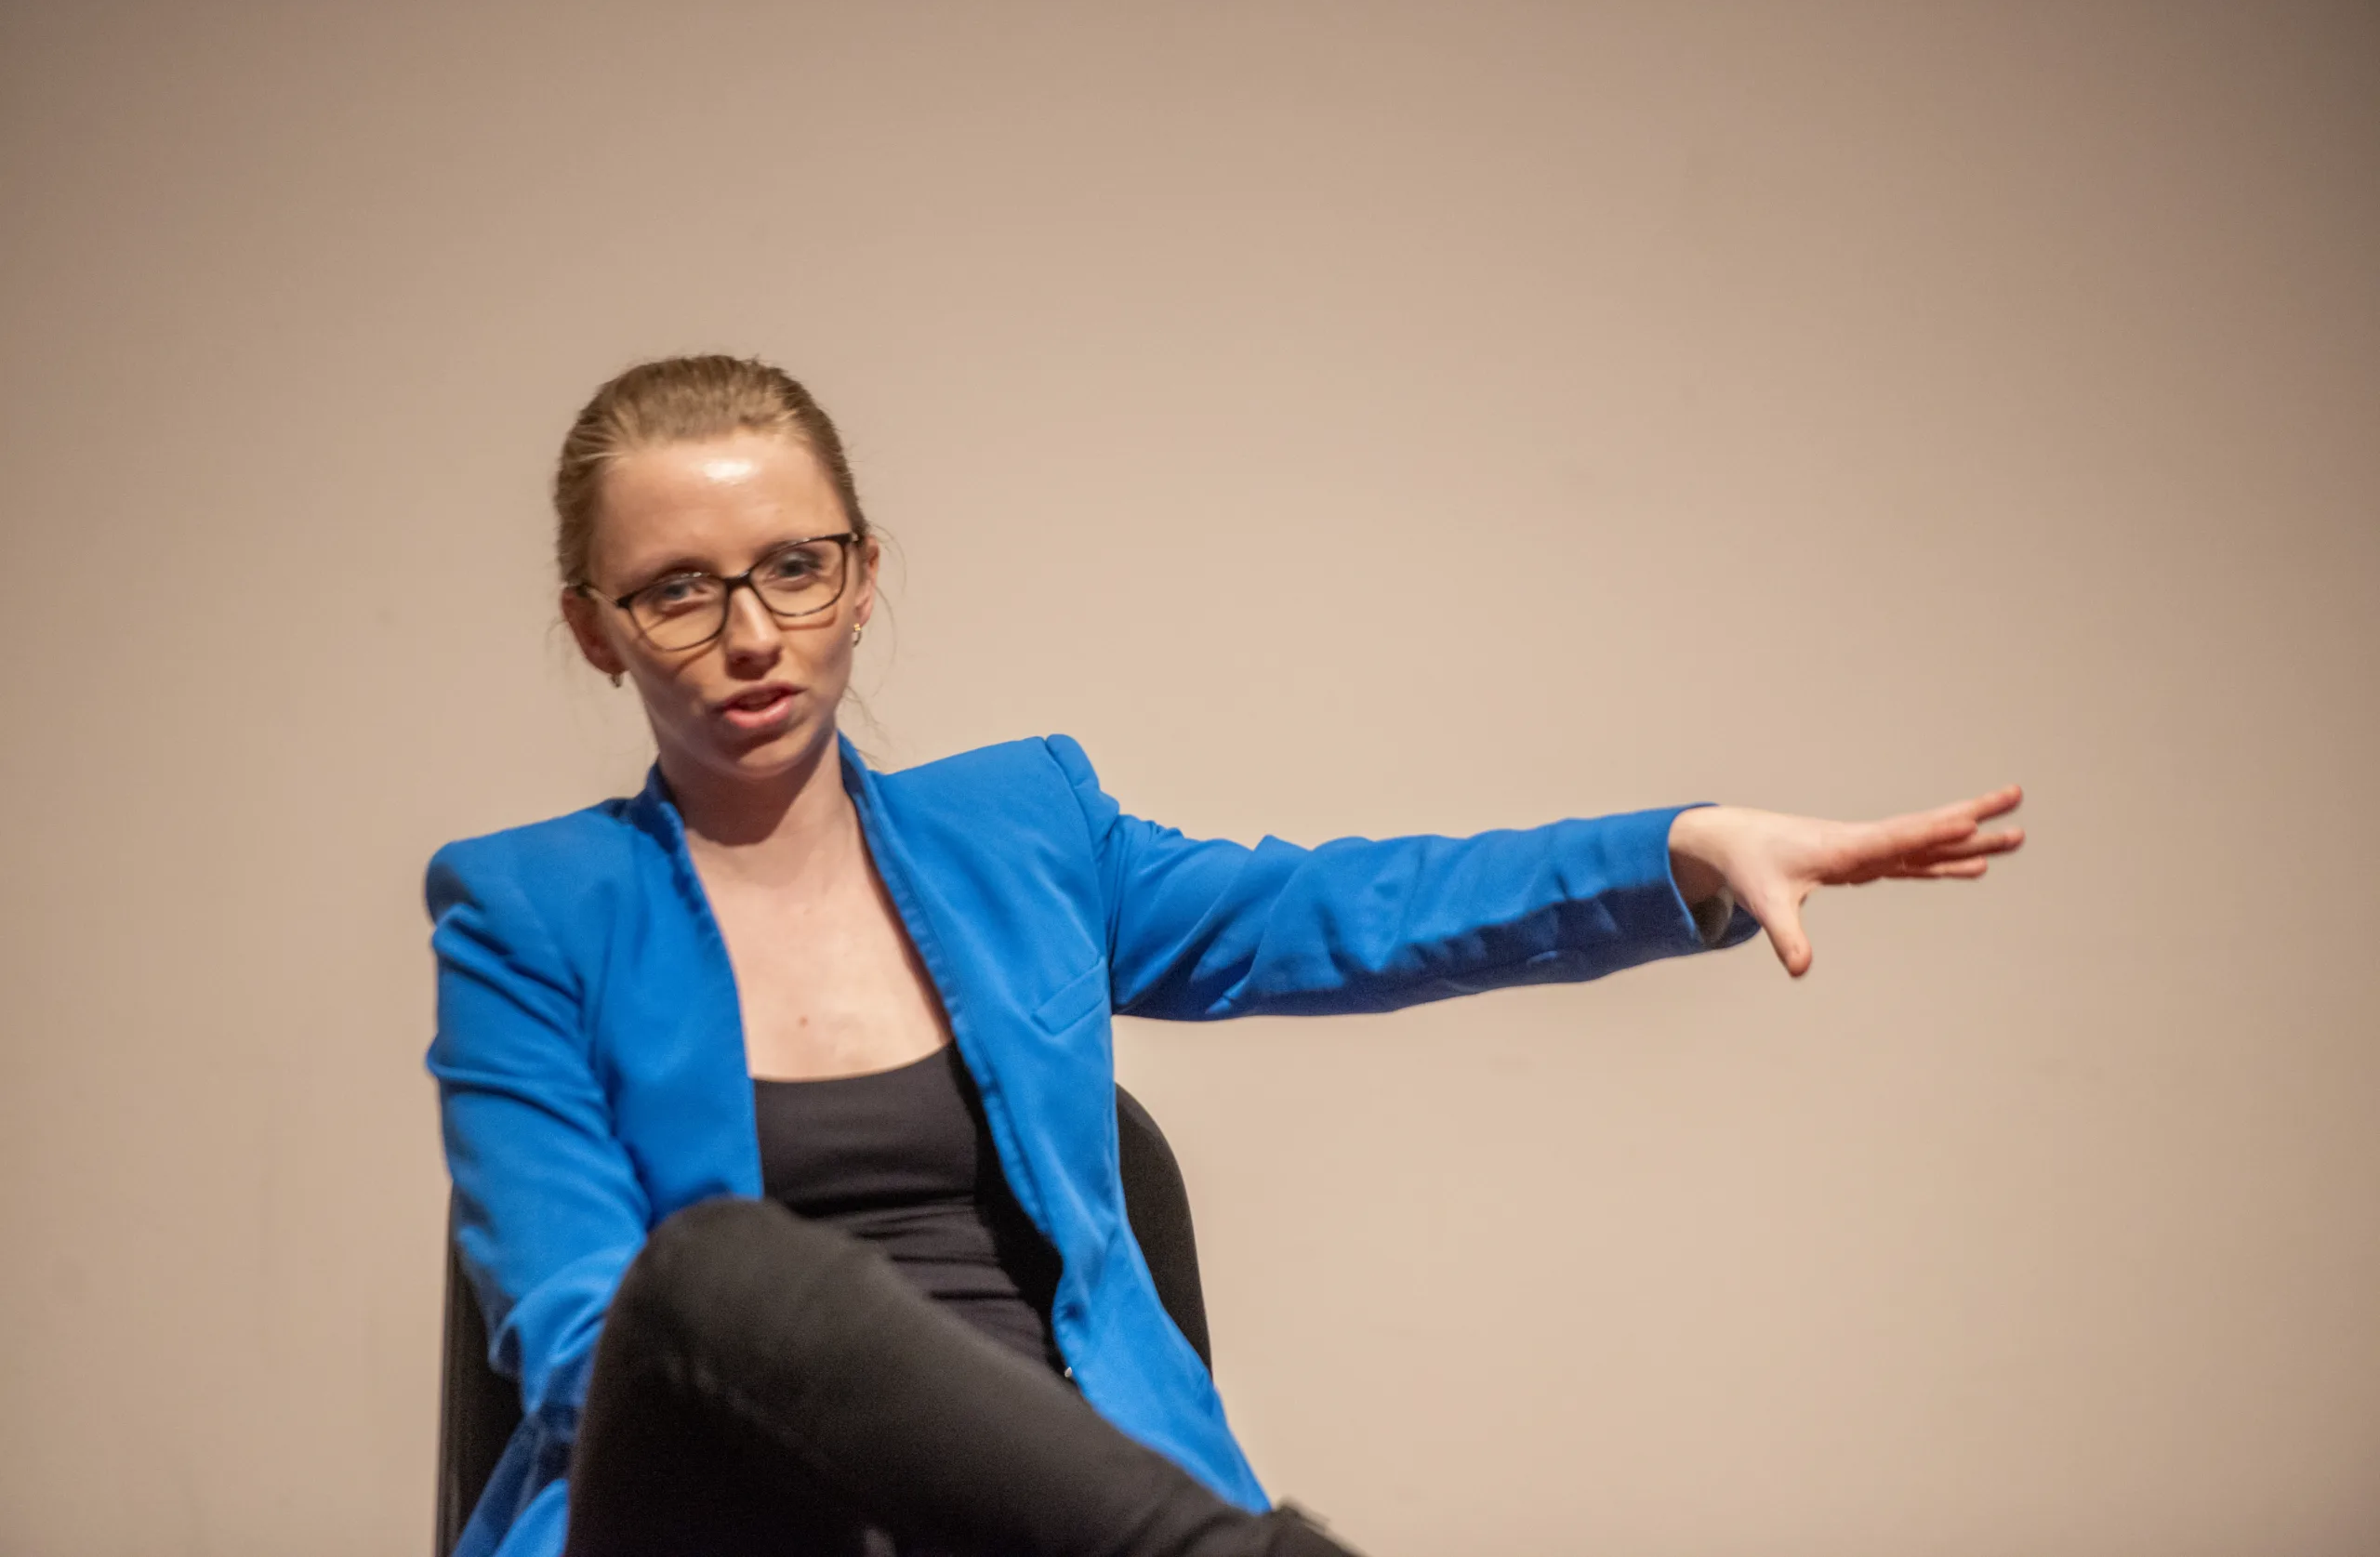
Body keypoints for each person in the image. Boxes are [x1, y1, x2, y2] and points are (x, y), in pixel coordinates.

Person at [425, 354, 2024, 1557]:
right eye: (679, 595)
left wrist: (1673, 849)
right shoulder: (527, 909)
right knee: (712, 1278)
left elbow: (1338, 914)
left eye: (795, 567)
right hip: (720, 1517)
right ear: (594, 629)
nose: (754, 637)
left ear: (862, 573)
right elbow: (582, 1337)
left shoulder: (1023, 831)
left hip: (1047, 1514)